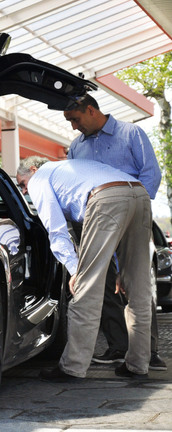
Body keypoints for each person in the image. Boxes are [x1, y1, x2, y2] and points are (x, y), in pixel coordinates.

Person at [16, 156, 152, 380]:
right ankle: (138, 365)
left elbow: (56, 231)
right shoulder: (72, 168)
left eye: (23, 184)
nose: (25, 192)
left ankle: (73, 367)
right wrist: (120, 270)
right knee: (138, 289)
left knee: (86, 291)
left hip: (106, 197)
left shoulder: (40, 177)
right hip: (139, 194)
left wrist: (74, 270)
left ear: (33, 169)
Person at [64, 94, 165, 371]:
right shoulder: (76, 147)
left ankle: (148, 351)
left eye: (76, 119)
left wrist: (137, 210)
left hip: (133, 214)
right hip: (97, 220)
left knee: (136, 281)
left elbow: (150, 174)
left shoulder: (130, 133)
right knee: (104, 283)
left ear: (91, 110)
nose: (74, 126)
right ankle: (119, 346)